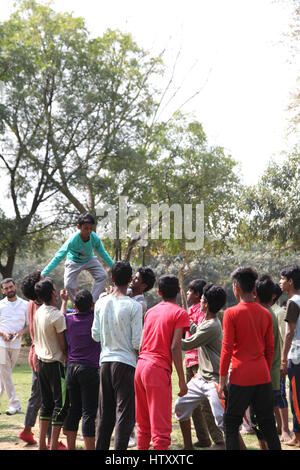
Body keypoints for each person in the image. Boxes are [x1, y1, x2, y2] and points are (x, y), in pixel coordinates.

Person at [218, 266, 281, 450]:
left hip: (240, 376)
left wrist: (222, 381)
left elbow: (227, 349)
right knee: (268, 425)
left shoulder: (231, 313)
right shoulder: (265, 313)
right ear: (253, 287)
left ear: (236, 287)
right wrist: (265, 372)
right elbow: (270, 349)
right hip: (263, 375)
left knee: (231, 423)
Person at [134, 274, 190, 450]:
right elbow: (175, 347)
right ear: (179, 291)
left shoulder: (150, 311)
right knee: (161, 431)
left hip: (141, 366)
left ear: (158, 292)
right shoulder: (180, 313)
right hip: (157, 369)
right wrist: (182, 379)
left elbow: (141, 343)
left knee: (143, 427)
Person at [92, 261, 143, 450]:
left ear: (112, 279)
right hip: (125, 363)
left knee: (105, 414)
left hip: (105, 362)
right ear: (130, 280)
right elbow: (137, 343)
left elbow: (95, 335)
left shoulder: (100, 302)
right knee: (125, 414)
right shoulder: (134, 306)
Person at [175, 283, 227, 450]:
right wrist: (187, 319)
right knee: (180, 406)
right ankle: (188, 446)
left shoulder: (212, 325)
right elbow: (197, 331)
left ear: (207, 304)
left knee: (222, 419)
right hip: (201, 377)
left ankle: (227, 444)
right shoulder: (207, 320)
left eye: (203, 299)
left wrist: (170, 335)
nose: (201, 301)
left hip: (214, 379)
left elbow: (187, 344)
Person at [41, 213, 114, 304]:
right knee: (68, 284)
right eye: (86, 228)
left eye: (91, 228)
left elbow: (103, 253)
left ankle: (92, 302)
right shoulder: (73, 240)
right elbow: (59, 256)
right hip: (74, 261)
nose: (89, 231)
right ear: (79, 227)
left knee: (102, 275)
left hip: (89, 259)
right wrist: (44, 273)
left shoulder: (94, 237)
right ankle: (78, 305)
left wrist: (114, 266)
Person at [62, 289, 101, 450]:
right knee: (89, 413)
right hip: (90, 370)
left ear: (75, 306)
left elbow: (61, 315)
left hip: (72, 368)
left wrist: (64, 301)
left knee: (74, 410)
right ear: (92, 304)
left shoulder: (69, 320)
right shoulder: (96, 320)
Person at [34, 278, 69, 450]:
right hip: (56, 364)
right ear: (54, 293)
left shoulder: (38, 312)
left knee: (46, 404)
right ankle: (53, 445)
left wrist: (63, 302)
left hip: (42, 364)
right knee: (61, 405)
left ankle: (42, 444)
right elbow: (63, 345)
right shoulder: (56, 316)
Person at [18, 271, 51, 446]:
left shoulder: (32, 303)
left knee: (37, 395)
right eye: (41, 279)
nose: (45, 279)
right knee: (50, 399)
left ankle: (27, 430)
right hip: (43, 356)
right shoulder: (42, 308)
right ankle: (49, 439)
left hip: (34, 353)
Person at [252, 274, 281, 450]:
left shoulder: (264, 315)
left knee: (263, 420)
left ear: (255, 293)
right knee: (260, 419)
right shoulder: (266, 314)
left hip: (264, 376)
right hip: (266, 374)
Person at [0, 278, 29, 416]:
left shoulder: (25, 305)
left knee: (4, 374)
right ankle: (14, 404)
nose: (9, 290)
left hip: (16, 343)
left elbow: (30, 326)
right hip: (1, 343)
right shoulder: (0, 305)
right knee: (4, 371)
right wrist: (3, 333)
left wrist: (20, 333)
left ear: (15, 286)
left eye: (10, 287)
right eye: (6, 288)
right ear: (2, 290)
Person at [279, 264, 300, 447]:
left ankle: (298, 437)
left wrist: (283, 359)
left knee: (296, 397)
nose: (280, 282)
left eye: (283, 279)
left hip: (296, 356)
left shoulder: (293, 302)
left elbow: (289, 333)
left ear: (290, 281)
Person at [271, 283, 291, 443]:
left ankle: (285, 429)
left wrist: (283, 362)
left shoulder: (279, 312)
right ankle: (278, 426)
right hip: (269, 362)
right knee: (273, 395)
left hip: (278, 362)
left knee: (280, 395)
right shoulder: (267, 311)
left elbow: (285, 337)